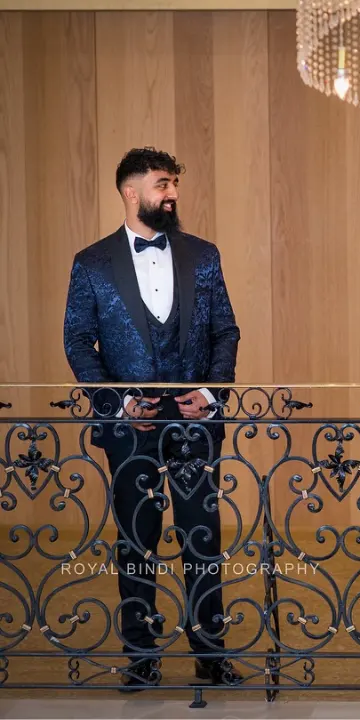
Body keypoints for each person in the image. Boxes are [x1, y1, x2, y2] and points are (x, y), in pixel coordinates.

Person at [63, 147, 242, 690]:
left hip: (194, 422)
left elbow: (225, 333)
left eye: (174, 184)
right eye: (163, 184)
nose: (172, 195)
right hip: (129, 426)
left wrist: (210, 395)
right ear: (130, 191)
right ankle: (141, 658)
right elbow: (77, 340)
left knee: (201, 536)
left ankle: (211, 655)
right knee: (136, 539)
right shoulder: (91, 263)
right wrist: (117, 403)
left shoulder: (203, 255)